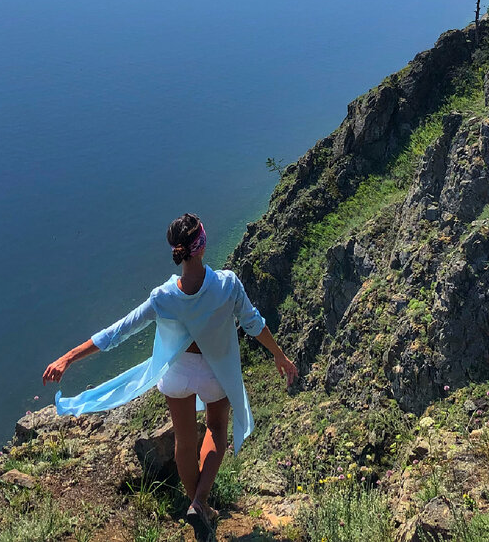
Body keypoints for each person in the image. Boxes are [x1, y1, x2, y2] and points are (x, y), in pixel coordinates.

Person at [42, 213, 297, 541]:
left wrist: (68, 357)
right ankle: (201, 502)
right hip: (214, 372)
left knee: (184, 441)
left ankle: (199, 510)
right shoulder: (228, 284)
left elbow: (116, 332)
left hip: (176, 374)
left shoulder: (162, 297)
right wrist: (279, 355)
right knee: (217, 430)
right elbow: (253, 323)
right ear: (201, 246)